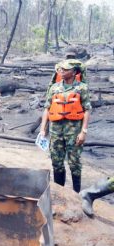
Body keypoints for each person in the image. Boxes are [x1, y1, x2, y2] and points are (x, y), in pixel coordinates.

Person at [39, 59, 92, 192]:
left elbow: (87, 109)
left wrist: (83, 131)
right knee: (56, 162)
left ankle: (76, 194)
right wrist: (42, 129)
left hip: (74, 131)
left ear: (74, 72)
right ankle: (60, 193)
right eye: (61, 69)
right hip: (55, 130)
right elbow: (47, 108)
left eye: (66, 69)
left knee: (74, 163)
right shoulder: (54, 87)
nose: (62, 71)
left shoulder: (81, 88)